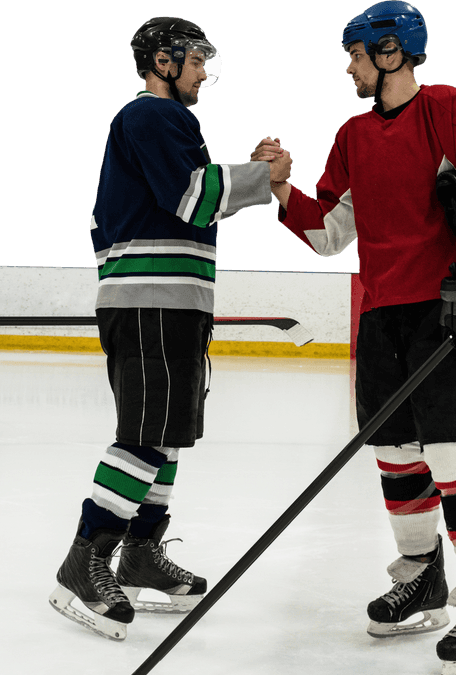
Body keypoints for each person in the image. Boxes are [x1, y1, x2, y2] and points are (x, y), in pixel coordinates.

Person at [251, 1, 456, 675]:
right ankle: (421, 577)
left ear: (391, 52)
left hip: (444, 311)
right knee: (397, 458)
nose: (348, 68)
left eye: (355, 55)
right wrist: (284, 190)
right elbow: (330, 235)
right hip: (381, 319)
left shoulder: (448, 112)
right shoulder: (350, 137)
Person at [52, 16, 293, 640]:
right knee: (144, 433)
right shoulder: (152, 117)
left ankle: (139, 554)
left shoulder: (169, 122)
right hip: (151, 301)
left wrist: (246, 180)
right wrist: (264, 177)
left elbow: (189, 202)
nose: (202, 71)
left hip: (173, 300)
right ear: (163, 62)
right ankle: (85, 559)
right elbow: (192, 195)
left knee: (166, 432)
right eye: (194, 59)